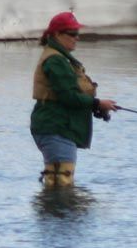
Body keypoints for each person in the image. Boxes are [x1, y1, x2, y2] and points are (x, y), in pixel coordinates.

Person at [31, 11, 117, 188]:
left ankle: (56, 212)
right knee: (60, 182)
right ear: (56, 34)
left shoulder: (61, 58)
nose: (77, 38)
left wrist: (95, 107)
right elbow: (68, 96)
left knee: (58, 180)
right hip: (55, 127)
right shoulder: (55, 60)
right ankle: (59, 212)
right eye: (72, 34)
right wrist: (97, 103)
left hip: (59, 127)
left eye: (77, 34)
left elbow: (71, 95)